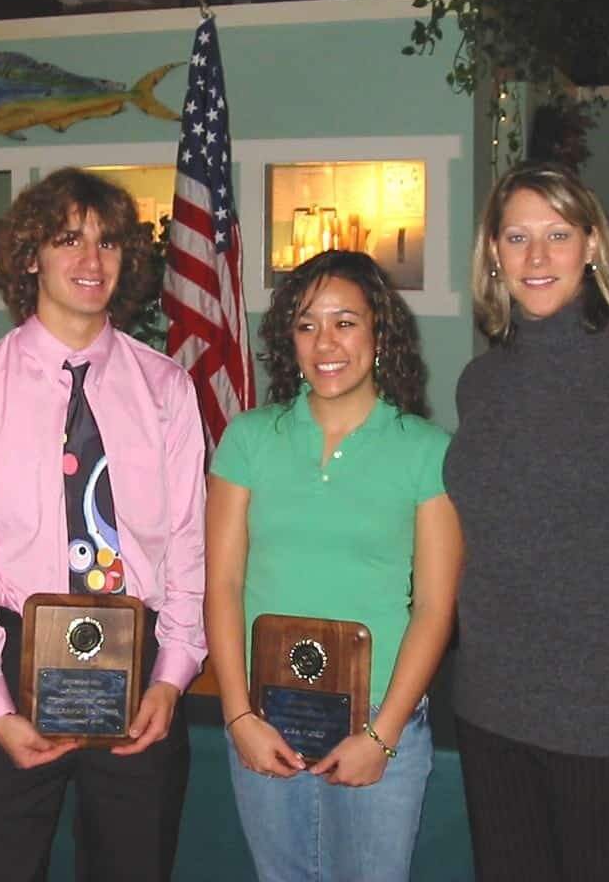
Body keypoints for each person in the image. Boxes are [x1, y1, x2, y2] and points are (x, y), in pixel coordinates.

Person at [0, 167, 206, 882]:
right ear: (29, 256)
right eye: (68, 239)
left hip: (137, 664)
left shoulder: (167, 389)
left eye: (108, 242)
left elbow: (188, 548)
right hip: (10, 658)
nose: (91, 261)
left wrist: (170, 679)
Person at [206, 249, 463, 882]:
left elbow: (434, 607)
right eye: (306, 323)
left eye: (345, 322)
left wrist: (383, 736)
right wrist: (238, 717)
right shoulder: (247, 439)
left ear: (379, 332)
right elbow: (221, 584)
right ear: (288, 337)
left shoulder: (428, 452)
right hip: (265, 721)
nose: (326, 342)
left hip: (381, 723)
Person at [443, 160, 609, 881]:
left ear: (593, 245)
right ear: (494, 254)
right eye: (516, 237)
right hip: (492, 703)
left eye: (557, 235)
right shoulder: (482, 383)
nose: (536, 258)